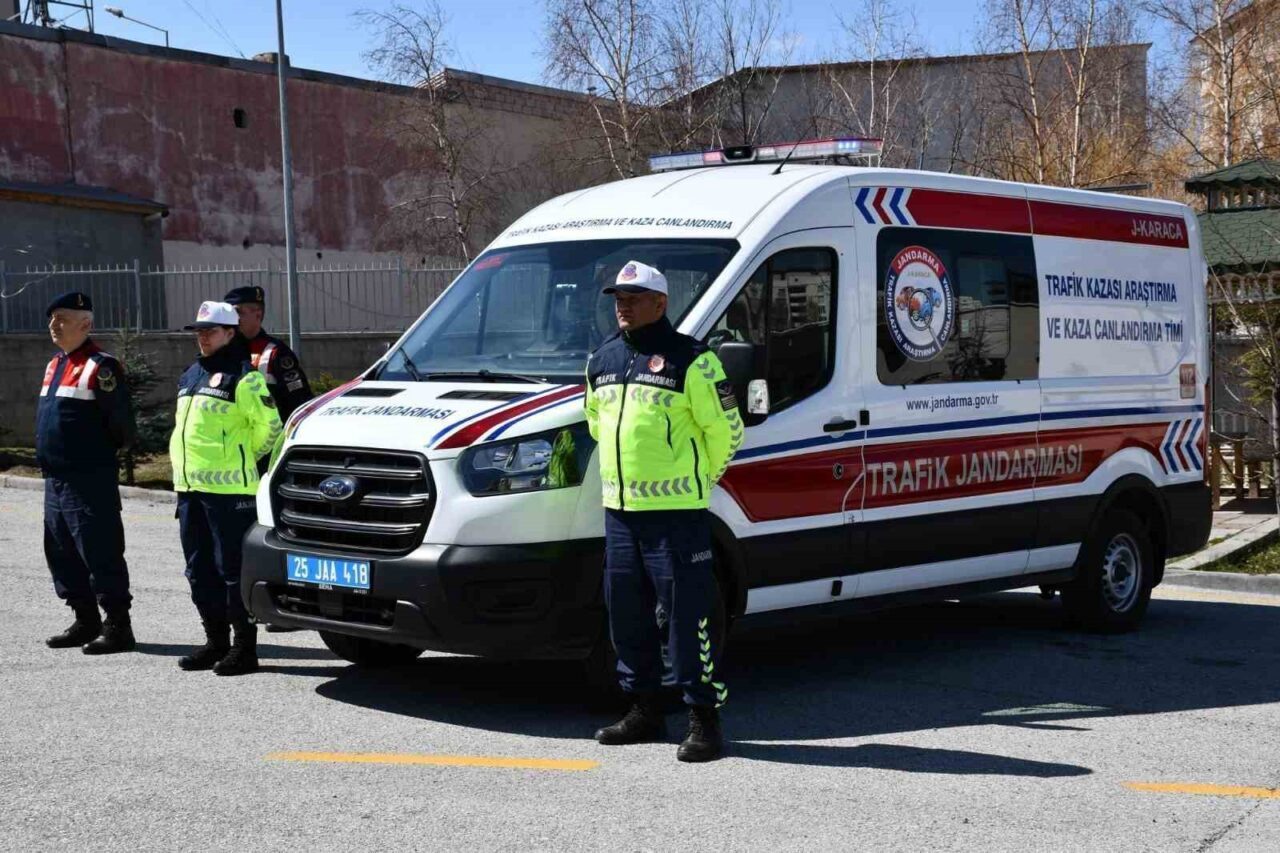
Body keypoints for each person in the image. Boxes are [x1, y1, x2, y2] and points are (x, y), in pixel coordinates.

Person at [584, 260, 745, 763]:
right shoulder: (603, 359)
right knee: (626, 614)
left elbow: (728, 431)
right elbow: (595, 422)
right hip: (620, 513)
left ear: (661, 302)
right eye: (618, 297)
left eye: (633, 297)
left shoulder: (693, 361)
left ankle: (703, 720)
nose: (623, 305)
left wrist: (696, 480)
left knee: (687, 619)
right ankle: (644, 710)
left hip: (677, 515)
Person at [170, 301, 283, 675]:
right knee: (198, 570)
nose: (203, 337)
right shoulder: (191, 375)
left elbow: (271, 428)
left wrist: (241, 459)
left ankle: (243, 649)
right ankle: (214, 642)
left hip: (230, 492)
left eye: (211, 331)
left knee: (231, 571)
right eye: (199, 331)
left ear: (230, 333)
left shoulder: (244, 377)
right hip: (190, 489)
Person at [37, 292, 138, 654]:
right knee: (61, 552)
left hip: (89, 478)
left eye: (61, 318)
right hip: (56, 480)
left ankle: (117, 626)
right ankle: (84, 619)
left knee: (101, 551)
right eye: (52, 319)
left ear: (85, 324)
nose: (53, 325)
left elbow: (122, 427)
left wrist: (92, 458)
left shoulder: (102, 366)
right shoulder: (55, 364)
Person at [223, 285, 313, 428]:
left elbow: (298, 402)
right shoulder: (223, 350)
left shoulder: (276, 353)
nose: (232, 319)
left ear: (258, 314)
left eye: (238, 312)